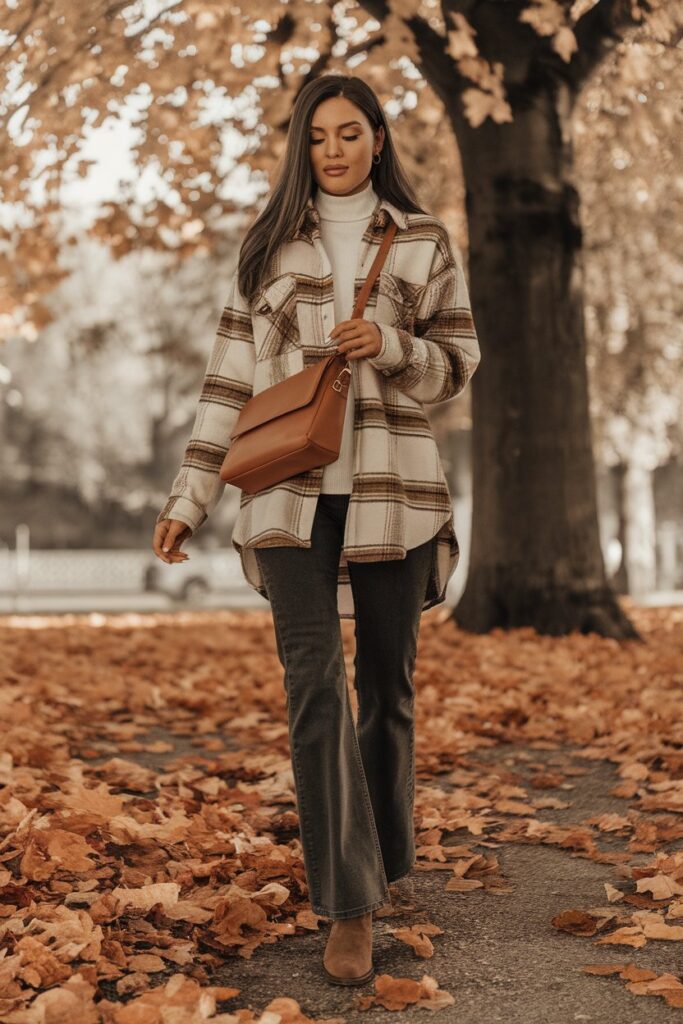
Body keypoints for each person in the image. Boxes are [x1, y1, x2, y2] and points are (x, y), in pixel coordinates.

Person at [152, 72, 480, 986]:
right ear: (301, 150)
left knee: (387, 689)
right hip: (285, 501)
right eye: (317, 138)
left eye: (348, 133)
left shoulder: (421, 242)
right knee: (314, 691)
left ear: (377, 139)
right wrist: (189, 497)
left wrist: (396, 348)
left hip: (395, 491)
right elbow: (228, 387)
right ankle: (348, 903)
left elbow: (458, 366)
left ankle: (385, 858)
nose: (332, 150)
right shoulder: (267, 249)